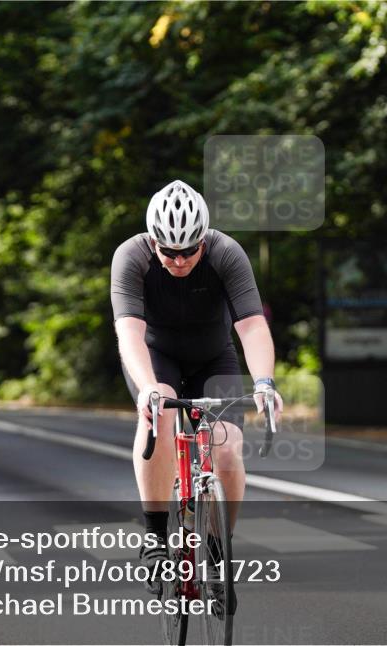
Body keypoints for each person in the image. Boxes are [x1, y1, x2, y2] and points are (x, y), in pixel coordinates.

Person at [110, 180, 283, 609]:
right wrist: (147, 387)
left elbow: (252, 325)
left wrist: (264, 382)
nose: (180, 259)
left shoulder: (226, 253)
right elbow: (128, 331)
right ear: (153, 241)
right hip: (157, 357)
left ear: (204, 240)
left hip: (213, 358)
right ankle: (154, 537)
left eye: (190, 250)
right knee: (159, 415)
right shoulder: (130, 256)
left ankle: (218, 553)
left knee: (227, 451)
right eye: (169, 251)